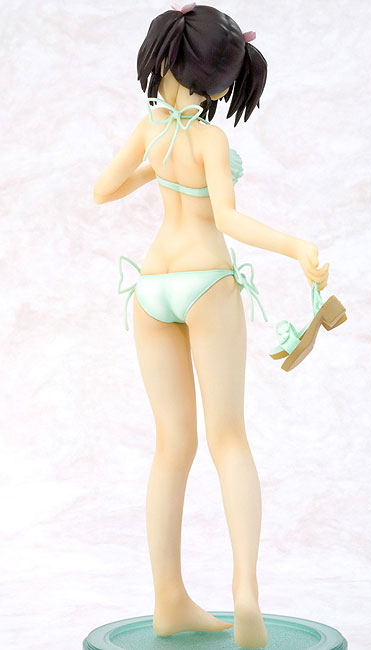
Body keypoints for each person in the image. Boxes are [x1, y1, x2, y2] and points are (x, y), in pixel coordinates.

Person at [94, 4, 329, 648]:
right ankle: (245, 590)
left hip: (151, 287)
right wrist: (296, 246)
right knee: (229, 438)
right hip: (204, 282)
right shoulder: (209, 139)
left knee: (171, 445)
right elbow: (226, 219)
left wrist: (157, 164)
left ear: (165, 56)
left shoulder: (151, 128)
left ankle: (168, 599)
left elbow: (102, 190)